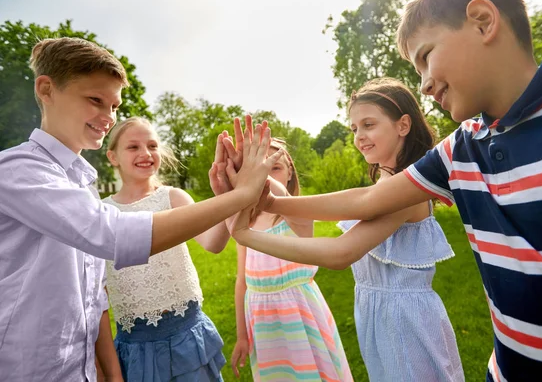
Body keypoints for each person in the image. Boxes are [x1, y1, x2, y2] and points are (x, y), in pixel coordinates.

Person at [249, 0, 542, 380]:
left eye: (426, 57)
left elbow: (347, 240)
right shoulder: (460, 149)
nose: (425, 84)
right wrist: (268, 203)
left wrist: (249, 231)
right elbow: (365, 201)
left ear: (483, 23)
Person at [0, 37, 279, 381]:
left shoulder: (81, 185)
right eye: (95, 100)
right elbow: (114, 235)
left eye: (114, 106)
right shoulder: (18, 170)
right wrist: (239, 196)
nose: (108, 116)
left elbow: (91, 300)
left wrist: (234, 192)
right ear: (46, 89)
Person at [228, 79, 464, 381]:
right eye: (354, 129)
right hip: (380, 317)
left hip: (406, 322)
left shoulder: (405, 189)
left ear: (403, 125)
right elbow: (354, 201)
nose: (359, 136)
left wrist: (248, 235)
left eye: (368, 124)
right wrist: (273, 203)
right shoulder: (386, 185)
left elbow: (341, 252)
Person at [100, 117, 232, 381]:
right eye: (133, 147)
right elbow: (97, 294)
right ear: (113, 157)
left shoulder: (174, 198)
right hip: (136, 345)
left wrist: (229, 196)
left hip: (187, 334)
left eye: (152, 145)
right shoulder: (102, 213)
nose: (146, 153)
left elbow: (214, 243)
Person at [230, 138, 353, 381]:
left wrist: (260, 176)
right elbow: (242, 281)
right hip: (262, 318)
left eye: (274, 166)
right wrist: (242, 336)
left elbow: (302, 225)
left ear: (289, 174)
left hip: (300, 313)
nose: (265, 171)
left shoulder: (297, 214)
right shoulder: (245, 222)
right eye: (260, 165)